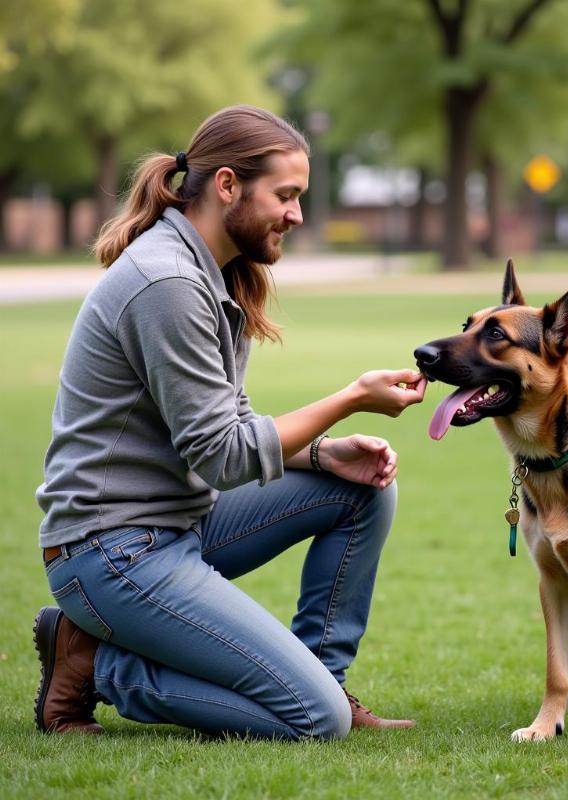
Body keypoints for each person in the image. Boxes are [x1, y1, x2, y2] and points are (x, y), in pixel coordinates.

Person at [33, 105, 427, 740]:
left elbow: (231, 424)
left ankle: (327, 677)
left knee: (365, 489)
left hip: (179, 524)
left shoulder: (215, 274)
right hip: (110, 550)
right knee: (313, 722)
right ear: (226, 185)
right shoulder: (164, 280)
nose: (296, 215)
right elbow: (223, 455)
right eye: (286, 195)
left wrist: (327, 455)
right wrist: (351, 397)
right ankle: (97, 664)